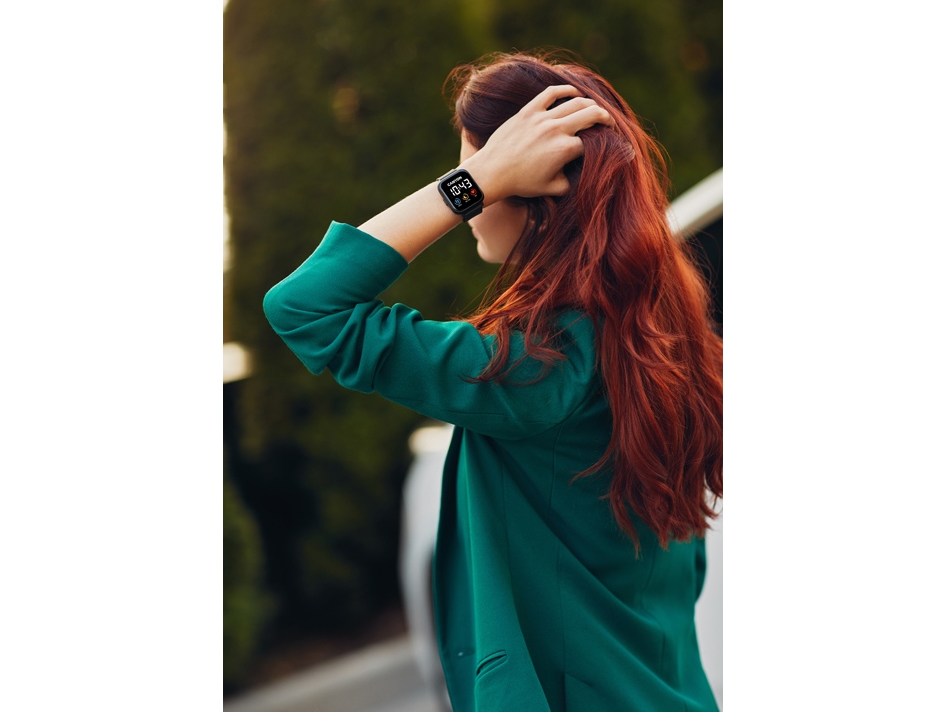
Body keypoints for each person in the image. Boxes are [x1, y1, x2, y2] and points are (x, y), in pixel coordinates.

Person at [263, 51, 723, 712]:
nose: (471, 205)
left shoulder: (537, 366)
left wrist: (470, 182)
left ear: (531, 191)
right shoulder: (668, 344)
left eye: (475, 175)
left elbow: (305, 307)